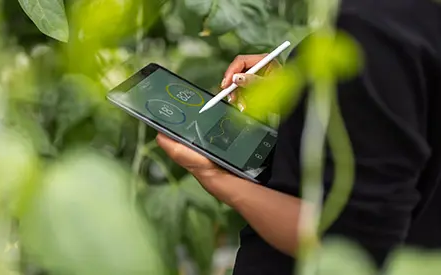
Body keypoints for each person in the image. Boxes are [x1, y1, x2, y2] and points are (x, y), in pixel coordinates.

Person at [157, 0, 441, 273]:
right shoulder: (412, 18)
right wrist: (304, 99)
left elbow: (352, 244)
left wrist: (214, 176)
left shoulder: (370, 28)